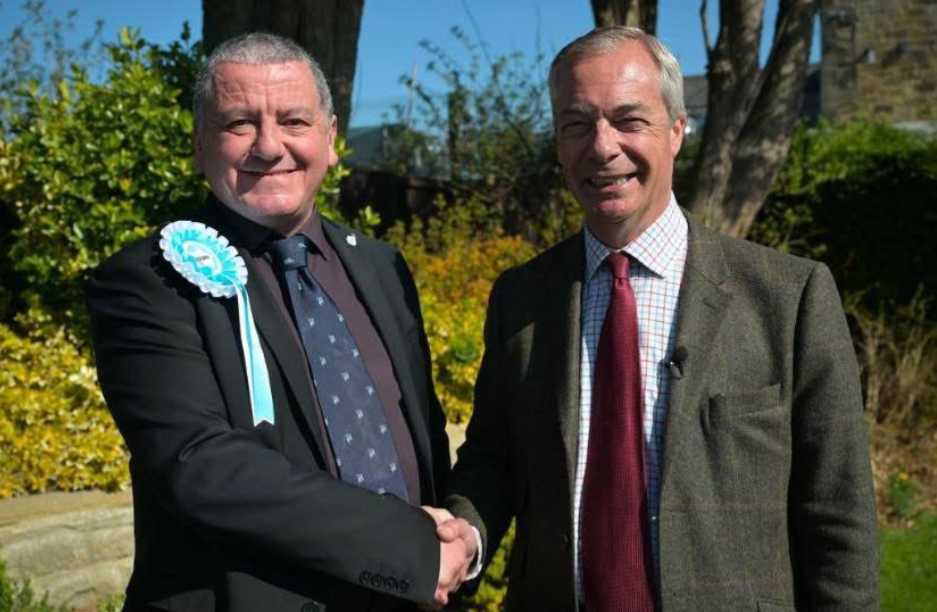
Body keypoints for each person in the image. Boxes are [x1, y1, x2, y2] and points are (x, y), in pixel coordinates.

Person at [444, 26, 880, 611]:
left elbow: (837, 516)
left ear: (677, 130)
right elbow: (493, 459)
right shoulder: (522, 299)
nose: (602, 147)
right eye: (577, 124)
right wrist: (464, 535)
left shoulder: (787, 298)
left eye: (630, 120)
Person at [87, 32, 474, 612]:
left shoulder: (382, 265)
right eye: (239, 124)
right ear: (198, 145)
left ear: (331, 139)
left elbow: (418, 436)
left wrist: (453, 540)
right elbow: (202, 467)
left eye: (294, 121)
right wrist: (411, 550)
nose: (269, 146)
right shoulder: (148, 280)